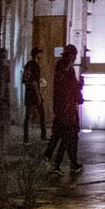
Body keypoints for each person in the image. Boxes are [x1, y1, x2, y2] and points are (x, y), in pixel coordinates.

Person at [44, 44, 84, 178]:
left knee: (60, 135)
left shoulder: (60, 66)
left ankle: (51, 157)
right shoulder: (67, 67)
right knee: (68, 136)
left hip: (61, 107)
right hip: (67, 109)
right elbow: (70, 88)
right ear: (71, 55)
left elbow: (66, 86)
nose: (75, 57)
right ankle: (56, 164)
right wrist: (79, 96)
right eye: (75, 55)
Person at [21, 49, 46, 142]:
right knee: (42, 113)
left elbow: (25, 80)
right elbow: (34, 81)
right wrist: (38, 95)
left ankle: (26, 137)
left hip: (28, 93)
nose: (41, 57)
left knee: (27, 116)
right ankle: (43, 135)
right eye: (40, 54)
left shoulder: (28, 65)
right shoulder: (35, 66)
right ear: (37, 55)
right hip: (34, 94)